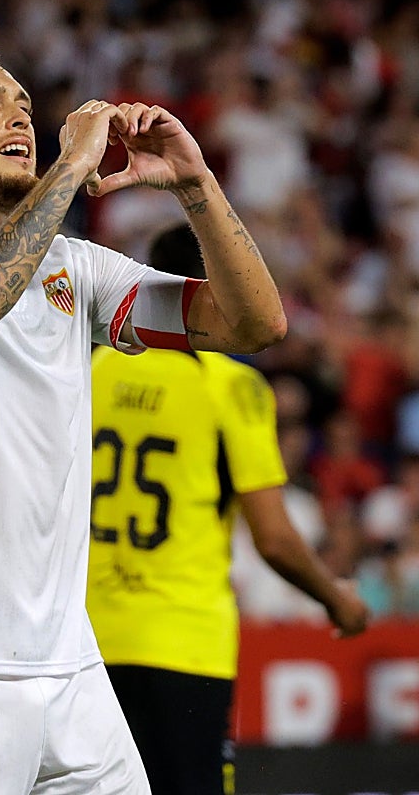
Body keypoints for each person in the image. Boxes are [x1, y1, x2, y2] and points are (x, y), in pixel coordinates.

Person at [0, 37, 287, 794]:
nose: (21, 117)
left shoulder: (77, 267)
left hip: (68, 661)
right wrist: (71, 166)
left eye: (23, 105)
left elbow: (254, 326)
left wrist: (195, 184)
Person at [87, 223, 370, 795]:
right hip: (184, 640)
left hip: (86, 640)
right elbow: (275, 539)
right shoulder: (231, 386)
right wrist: (337, 598)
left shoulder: (92, 370)